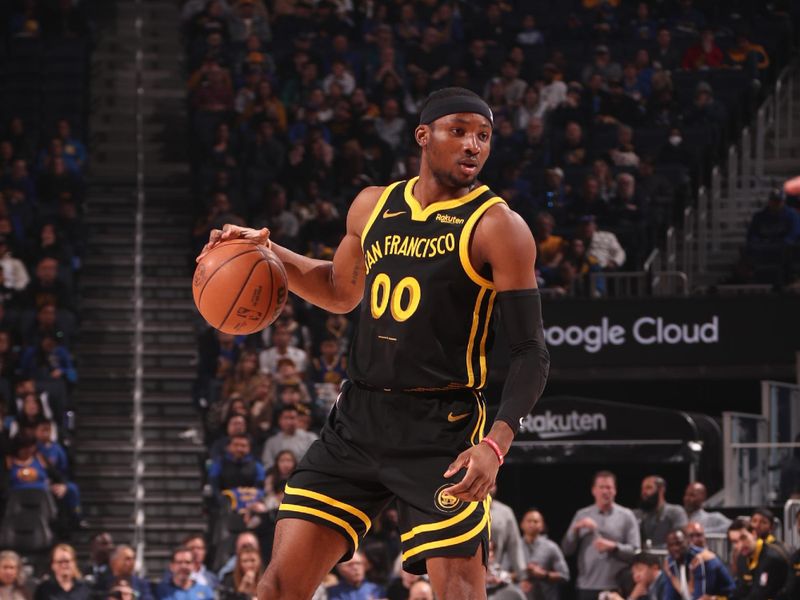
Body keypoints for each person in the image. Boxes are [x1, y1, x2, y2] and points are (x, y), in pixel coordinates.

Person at [199, 87, 550, 600]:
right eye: (459, 131)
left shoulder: (500, 227)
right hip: (358, 419)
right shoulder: (372, 205)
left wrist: (496, 444)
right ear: (423, 136)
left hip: (441, 428)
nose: (473, 145)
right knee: (276, 587)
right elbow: (340, 292)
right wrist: (265, 250)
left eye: (484, 136)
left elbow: (531, 353)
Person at [561, 471, 641, 600]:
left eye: (609, 487)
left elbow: (636, 552)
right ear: (593, 490)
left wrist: (614, 547)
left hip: (616, 586)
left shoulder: (627, 516)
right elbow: (566, 550)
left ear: (615, 491)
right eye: (601, 487)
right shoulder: (581, 515)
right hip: (587, 586)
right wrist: (575, 530)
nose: (605, 491)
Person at [662, 528, 734, 600]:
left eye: (679, 543)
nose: (675, 548)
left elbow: (701, 598)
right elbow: (670, 596)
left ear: (688, 542)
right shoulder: (670, 563)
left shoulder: (701, 559)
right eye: (671, 545)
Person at [727, 518, 788, 600]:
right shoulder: (742, 558)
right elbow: (741, 590)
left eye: (743, 538)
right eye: (735, 541)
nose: (740, 545)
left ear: (754, 534)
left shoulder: (772, 558)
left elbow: (759, 595)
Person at [518, 509, 569, 600]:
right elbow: (503, 572)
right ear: (522, 524)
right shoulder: (515, 547)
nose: (532, 524)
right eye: (529, 521)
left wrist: (544, 574)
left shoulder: (551, 547)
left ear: (542, 526)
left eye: (536, 521)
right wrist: (521, 573)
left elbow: (564, 575)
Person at [634, 475, 688, 548]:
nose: (644, 492)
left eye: (648, 488)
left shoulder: (675, 512)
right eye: (642, 489)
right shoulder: (637, 514)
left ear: (661, 490)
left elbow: (680, 541)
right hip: (642, 558)